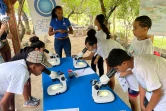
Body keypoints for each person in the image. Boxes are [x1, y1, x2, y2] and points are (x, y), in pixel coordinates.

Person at [119, 15, 154, 111]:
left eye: (135, 28)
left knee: (135, 101)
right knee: (131, 100)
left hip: (137, 79)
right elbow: (130, 54)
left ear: (145, 29)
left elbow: (143, 67)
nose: (132, 30)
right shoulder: (135, 39)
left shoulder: (147, 45)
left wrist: (126, 72)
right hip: (129, 77)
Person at [10, 36, 45, 107]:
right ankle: (27, 101)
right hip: (14, 69)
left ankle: (30, 98)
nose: (43, 52)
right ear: (37, 49)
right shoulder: (30, 55)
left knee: (28, 80)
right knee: (25, 83)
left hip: (22, 67)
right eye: (43, 50)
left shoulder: (33, 52)